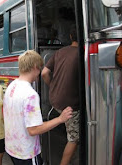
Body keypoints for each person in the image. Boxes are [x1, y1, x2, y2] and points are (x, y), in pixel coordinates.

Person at [3, 50, 73, 165]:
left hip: (12, 148)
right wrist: (60, 119)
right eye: (40, 68)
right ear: (35, 67)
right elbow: (34, 129)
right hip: (27, 152)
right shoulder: (30, 94)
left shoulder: (12, 86)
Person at [41, 25, 79, 165]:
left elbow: (44, 73)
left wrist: (53, 87)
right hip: (69, 104)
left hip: (54, 100)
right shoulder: (82, 53)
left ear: (70, 37)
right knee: (74, 137)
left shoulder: (60, 51)